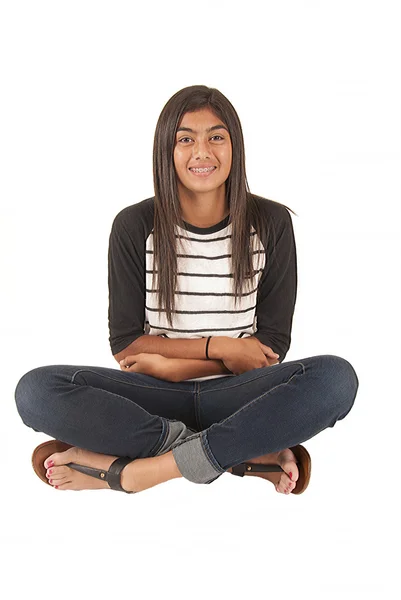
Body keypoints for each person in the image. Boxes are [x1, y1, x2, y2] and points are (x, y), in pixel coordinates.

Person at [14, 85, 359, 496]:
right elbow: (126, 345)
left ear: (235, 146)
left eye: (216, 136)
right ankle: (242, 454)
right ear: (167, 150)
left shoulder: (272, 223)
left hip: (236, 395)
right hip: (152, 396)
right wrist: (220, 349)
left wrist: (172, 365)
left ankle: (132, 472)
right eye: (185, 139)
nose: (202, 152)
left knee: (335, 378)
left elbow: (269, 350)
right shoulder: (133, 225)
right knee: (36, 391)